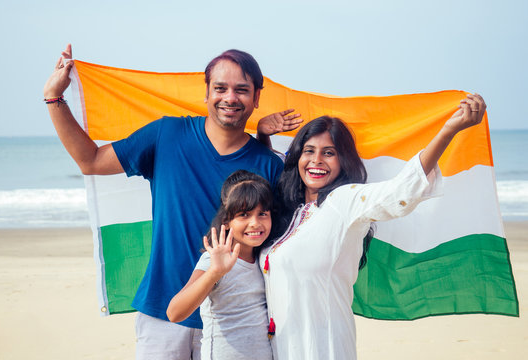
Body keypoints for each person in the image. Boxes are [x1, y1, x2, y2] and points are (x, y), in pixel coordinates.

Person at [43, 44, 301, 359]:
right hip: (164, 311)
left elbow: (282, 240)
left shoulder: (269, 164)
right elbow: (91, 161)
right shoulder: (167, 134)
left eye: (242, 90)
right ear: (206, 93)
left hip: (234, 319)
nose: (230, 97)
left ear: (256, 97)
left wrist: (263, 138)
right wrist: (54, 99)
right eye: (220, 88)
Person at [258, 94, 486, 359]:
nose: (316, 160)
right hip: (279, 349)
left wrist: (448, 130)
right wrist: (263, 135)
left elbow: (401, 191)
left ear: (343, 160)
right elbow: (267, 175)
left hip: (324, 348)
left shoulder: (345, 201)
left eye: (329, 153)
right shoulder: (289, 213)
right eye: (309, 151)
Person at [167, 170, 275, 360]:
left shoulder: (264, 259)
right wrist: (215, 272)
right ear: (227, 220)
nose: (255, 223)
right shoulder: (214, 260)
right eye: (244, 214)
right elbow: (175, 312)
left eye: (262, 214)